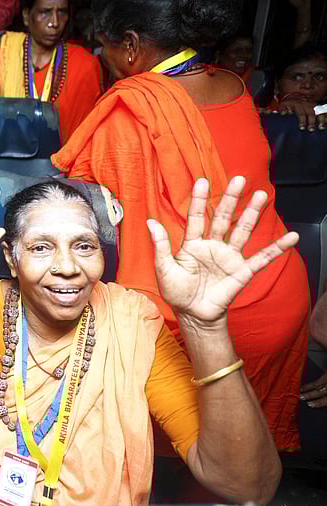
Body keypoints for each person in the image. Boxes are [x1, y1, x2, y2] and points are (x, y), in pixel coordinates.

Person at [0, 176, 287, 504]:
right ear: (11, 259)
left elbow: (247, 485)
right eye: (42, 248)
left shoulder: (131, 322)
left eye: (84, 246)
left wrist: (206, 326)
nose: (67, 267)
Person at [51, 0, 311, 456]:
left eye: (105, 48)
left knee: (174, 452)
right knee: (246, 454)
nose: (102, 60)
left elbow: (79, 205)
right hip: (277, 298)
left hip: (184, 316)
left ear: (130, 47)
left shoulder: (126, 111)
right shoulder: (234, 85)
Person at [0, 0, 103, 147]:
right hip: (9, 159)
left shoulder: (86, 65)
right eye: (45, 12)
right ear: (27, 16)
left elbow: (90, 133)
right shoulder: (5, 54)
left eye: (62, 12)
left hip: (64, 169)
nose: (55, 22)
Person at [267, 46, 327, 132]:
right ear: (277, 85)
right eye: (297, 77)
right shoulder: (259, 113)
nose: (308, 85)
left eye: (319, 77)